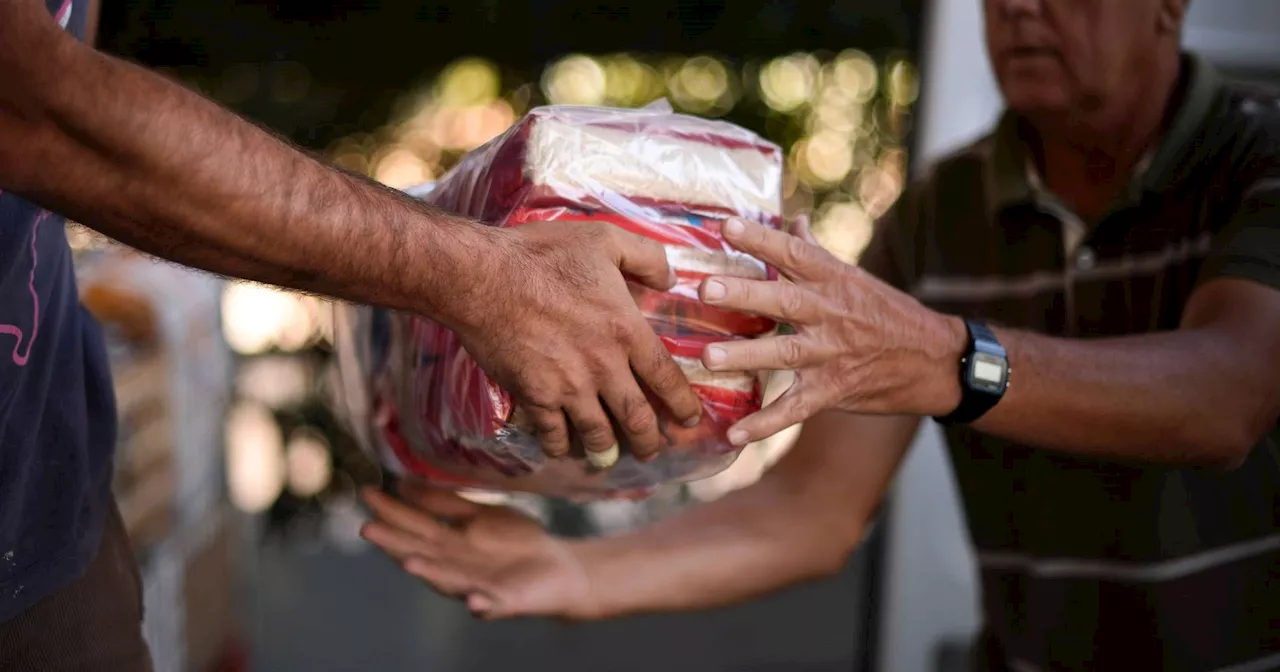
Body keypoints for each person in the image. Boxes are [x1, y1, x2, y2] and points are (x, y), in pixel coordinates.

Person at [364, 0, 1280, 669]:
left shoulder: (1258, 160)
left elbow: (1224, 398)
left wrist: (946, 358)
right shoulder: (945, 210)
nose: (1020, 9)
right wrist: (577, 574)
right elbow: (815, 509)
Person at [0, 0, 705, 667]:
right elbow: (32, 107)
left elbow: (62, 66)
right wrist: (484, 279)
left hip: (49, 495)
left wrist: (583, 572)